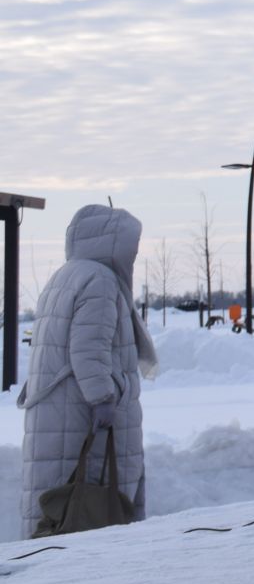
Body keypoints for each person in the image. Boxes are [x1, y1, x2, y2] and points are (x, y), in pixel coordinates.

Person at [17, 203, 156, 539]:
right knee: (89, 507)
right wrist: (104, 398)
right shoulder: (100, 281)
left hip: (58, 411)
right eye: (130, 246)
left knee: (57, 510)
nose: (132, 255)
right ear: (112, 244)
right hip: (82, 416)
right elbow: (87, 350)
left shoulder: (66, 275)